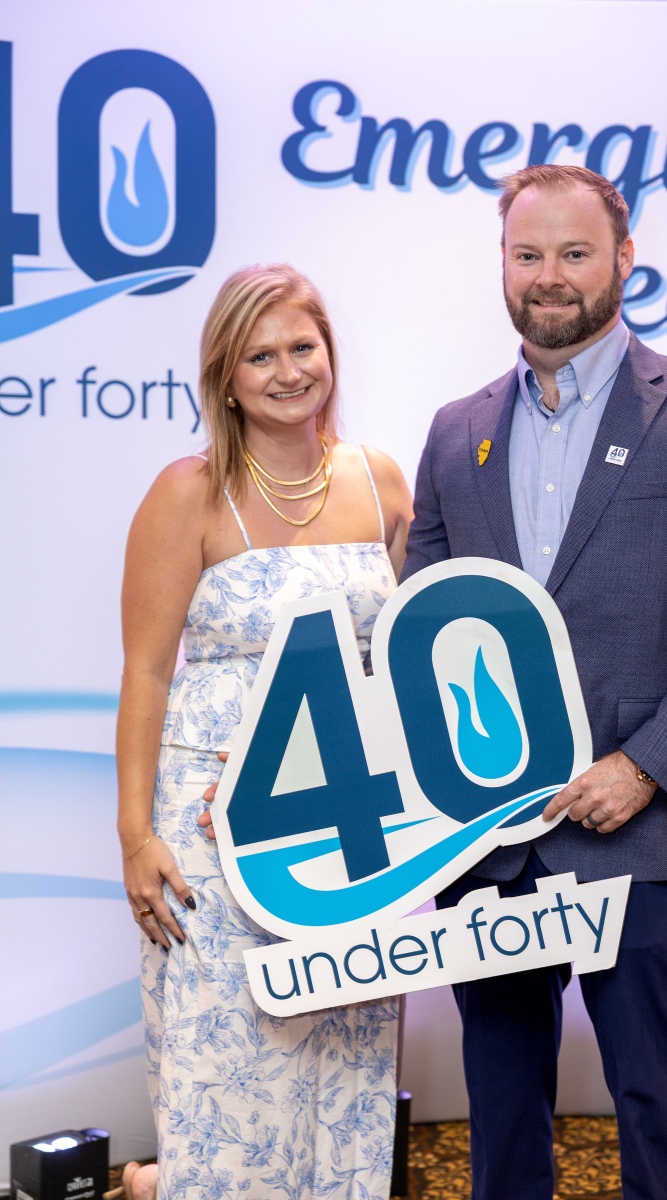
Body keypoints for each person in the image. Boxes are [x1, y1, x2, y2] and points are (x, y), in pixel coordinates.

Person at [401, 164, 667, 1200]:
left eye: (574, 253)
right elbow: (420, 633)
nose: (549, 276)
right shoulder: (453, 430)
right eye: (527, 253)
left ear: (623, 259)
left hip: (643, 831)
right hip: (484, 842)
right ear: (501, 264)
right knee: (500, 1124)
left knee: (655, 1112)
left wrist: (645, 765)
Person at [117, 263, 413, 1200]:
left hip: (352, 831)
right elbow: (146, 673)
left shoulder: (381, 481)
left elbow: (399, 665)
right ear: (225, 376)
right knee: (228, 1081)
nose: (288, 372)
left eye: (303, 347)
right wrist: (136, 836)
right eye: (260, 356)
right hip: (211, 840)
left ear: (329, 352)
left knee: (346, 1066)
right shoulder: (188, 493)